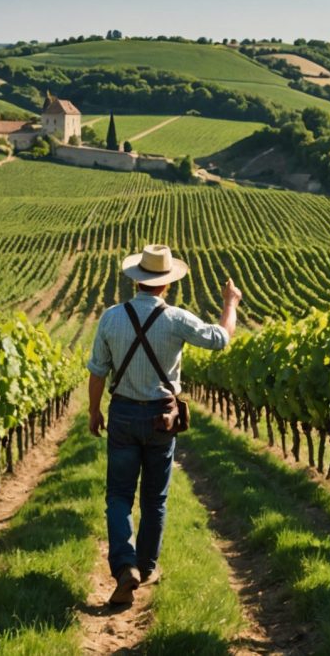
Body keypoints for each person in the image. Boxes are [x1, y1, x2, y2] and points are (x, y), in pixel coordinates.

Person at [86, 243, 241, 606]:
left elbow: (97, 372)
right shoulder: (176, 319)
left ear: (136, 280)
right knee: (154, 499)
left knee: (118, 496)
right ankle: (147, 565)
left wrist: (95, 411)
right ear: (167, 284)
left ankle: (124, 567)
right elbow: (221, 340)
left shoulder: (111, 317)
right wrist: (230, 302)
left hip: (123, 415)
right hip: (162, 418)